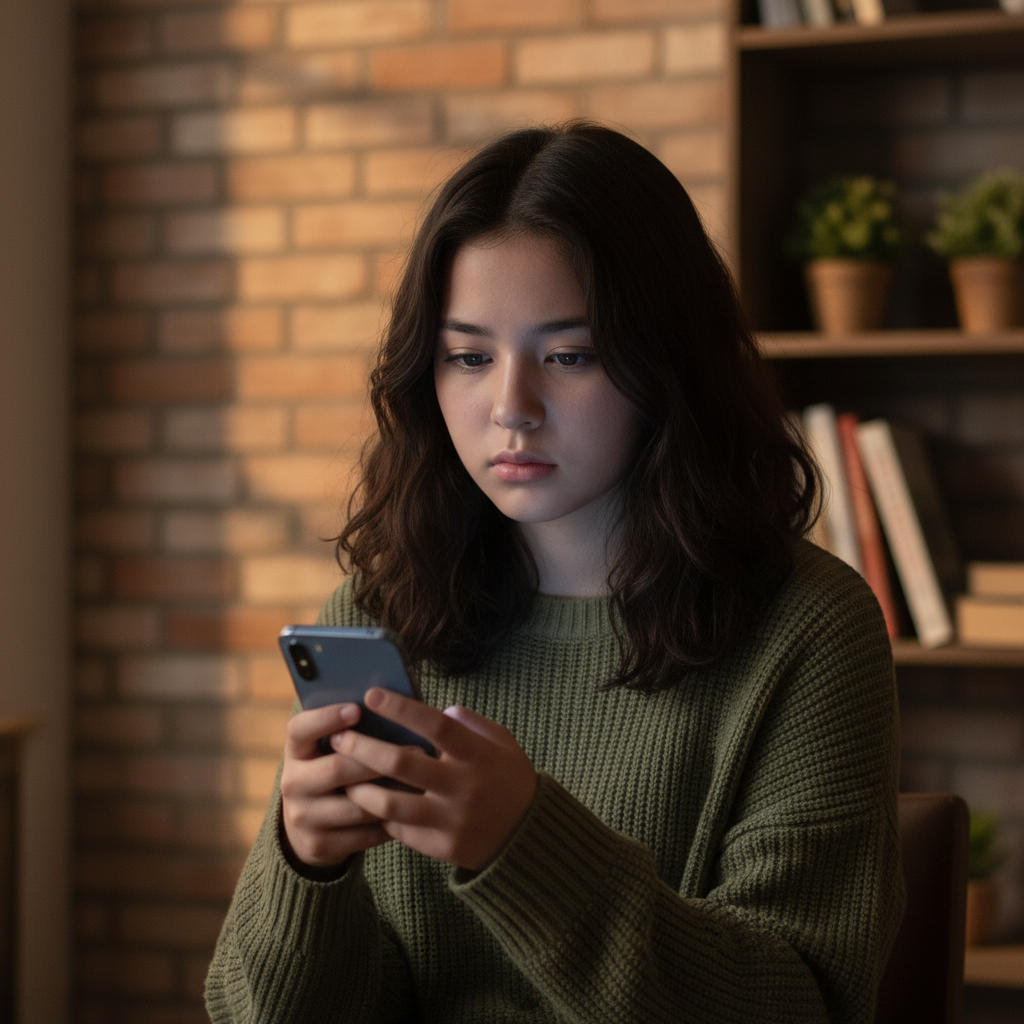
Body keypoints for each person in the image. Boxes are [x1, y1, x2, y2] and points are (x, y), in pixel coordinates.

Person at [205, 121, 903, 1024]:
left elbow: (800, 1004)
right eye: (468, 357)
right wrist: (307, 867)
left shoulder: (809, 629)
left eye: (569, 355)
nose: (510, 408)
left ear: (670, 363)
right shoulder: (385, 613)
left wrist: (521, 846)